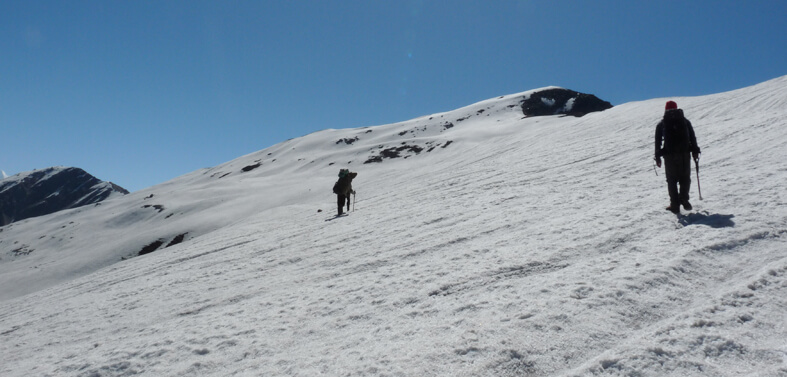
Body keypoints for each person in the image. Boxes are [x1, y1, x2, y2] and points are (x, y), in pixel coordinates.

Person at [655, 101, 701, 214]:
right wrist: (695, 150)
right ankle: (684, 198)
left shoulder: (662, 123)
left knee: (672, 180)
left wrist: (658, 157)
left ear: (665, 109)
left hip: (669, 156)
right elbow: (692, 137)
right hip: (684, 155)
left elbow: (658, 141)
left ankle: (675, 205)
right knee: (685, 178)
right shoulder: (685, 121)